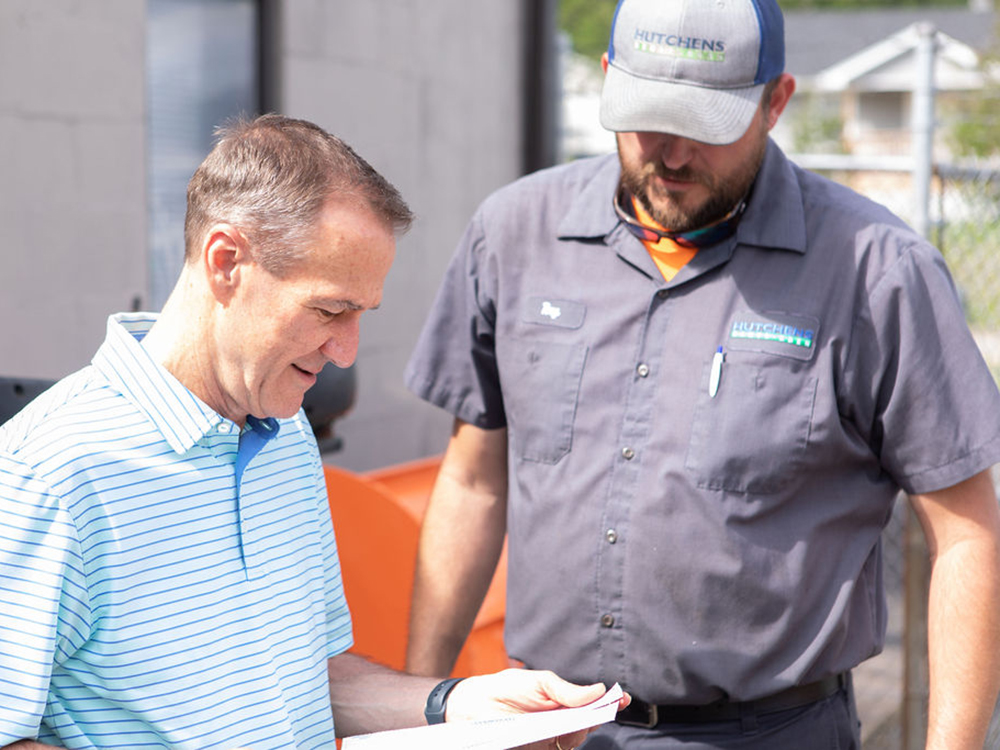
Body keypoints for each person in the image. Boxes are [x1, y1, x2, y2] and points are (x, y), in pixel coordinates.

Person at [403, 0, 1000, 748]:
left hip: (772, 732)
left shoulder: (875, 271)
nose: (674, 154)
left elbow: (966, 533)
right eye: (649, 118)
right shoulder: (514, 234)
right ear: (608, 79)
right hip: (547, 730)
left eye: (707, 125)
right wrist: (421, 706)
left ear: (775, 102)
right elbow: (473, 480)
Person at [0, 114, 624, 750]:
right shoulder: (44, 474)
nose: (347, 351)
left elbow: (306, 681)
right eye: (330, 310)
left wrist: (457, 704)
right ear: (226, 263)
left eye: (360, 315)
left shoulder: (287, 435)